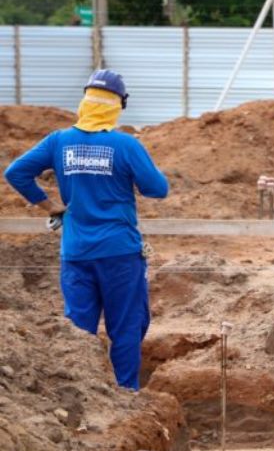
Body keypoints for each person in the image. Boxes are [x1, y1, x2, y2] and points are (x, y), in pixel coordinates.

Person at [4, 69, 168, 389]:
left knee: (79, 329)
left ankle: (84, 394)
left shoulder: (59, 141)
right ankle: (126, 394)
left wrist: (49, 205)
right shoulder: (125, 145)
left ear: (85, 102)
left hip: (76, 252)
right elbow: (157, 189)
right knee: (126, 328)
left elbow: (16, 173)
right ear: (117, 105)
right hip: (120, 252)